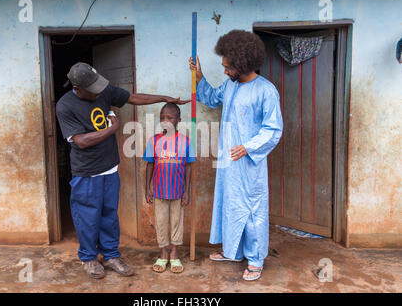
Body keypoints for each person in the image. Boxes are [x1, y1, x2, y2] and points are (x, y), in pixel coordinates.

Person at [56, 62, 189, 279]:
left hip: (110, 168)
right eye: (93, 90)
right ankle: (89, 258)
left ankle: (110, 255)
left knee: (109, 215)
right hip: (86, 172)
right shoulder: (65, 106)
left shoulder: (102, 89)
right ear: (78, 88)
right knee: (88, 217)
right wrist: (113, 128)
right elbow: (80, 141)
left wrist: (165, 98)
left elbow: (134, 98)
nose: (99, 92)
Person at [189, 30, 283, 281]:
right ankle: (232, 250)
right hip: (228, 162)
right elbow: (210, 98)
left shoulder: (266, 91)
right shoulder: (230, 86)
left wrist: (249, 147)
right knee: (230, 205)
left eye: (227, 67)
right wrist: (199, 76)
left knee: (252, 210)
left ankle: (254, 260)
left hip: (249, 164)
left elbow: (273, 129)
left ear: (241, 65)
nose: (225, 71)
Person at [142, 103, 195, 273]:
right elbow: (149, 165)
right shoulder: (154, 141)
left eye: (170, 118)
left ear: (178, 120)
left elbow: (188, 167)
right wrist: (147, 189)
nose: (165, 121)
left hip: (178, 192)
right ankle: (163, 254)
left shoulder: (185, 141)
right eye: (162, 118)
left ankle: (174, 255)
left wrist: (187, 191)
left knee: (177, 222)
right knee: (161, 222)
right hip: (159, 192)